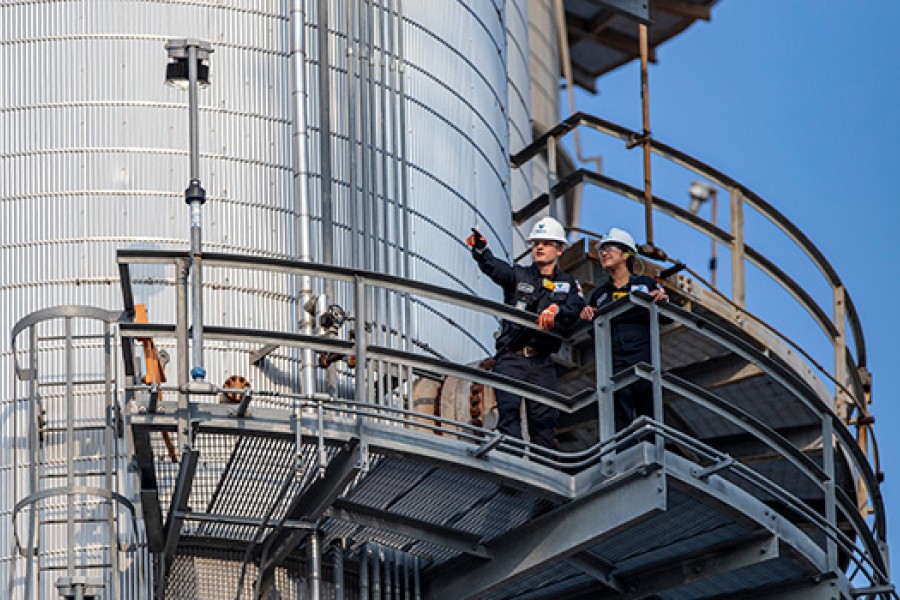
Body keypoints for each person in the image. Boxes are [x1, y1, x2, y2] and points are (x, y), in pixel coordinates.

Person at [465, 216, 585, 448]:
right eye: (536, 243)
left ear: (559, 249)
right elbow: (494, 268)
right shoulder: (519, 275)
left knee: (544, 424)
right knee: (509, 417)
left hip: (542, 363)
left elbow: (576, 308)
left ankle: (543, 469)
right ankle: (512, 467)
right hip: (511, 358)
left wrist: (556, 310)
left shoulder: (568, 283)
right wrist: (481, 251)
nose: (539, 247)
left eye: (546, 243)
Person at [579, 227, 668, 432]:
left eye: (609, 248)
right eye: (602, 250)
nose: (604, 253)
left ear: (626, 254)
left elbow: (666, 317)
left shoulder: (646, 284)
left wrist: (662, 301)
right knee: (619, 414)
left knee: (648, 410)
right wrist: (588, 315)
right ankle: (624, 450)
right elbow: (595, 333)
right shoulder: (599, 295)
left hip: (643, 357)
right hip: (614, 361)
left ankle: (652, 445)